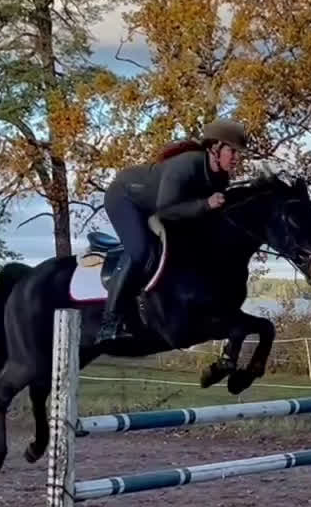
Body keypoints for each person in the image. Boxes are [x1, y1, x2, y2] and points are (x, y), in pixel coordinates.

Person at [97, 118, 248, 342]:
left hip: (156, 204)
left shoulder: (220, 177)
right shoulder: (186, 164)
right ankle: (110, 322)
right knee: (140, 252)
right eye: (232, 152)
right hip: (125, 198)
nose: (237, 158)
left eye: (239, 153)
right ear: (215, 148)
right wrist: (205, 204)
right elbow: (166, 210)